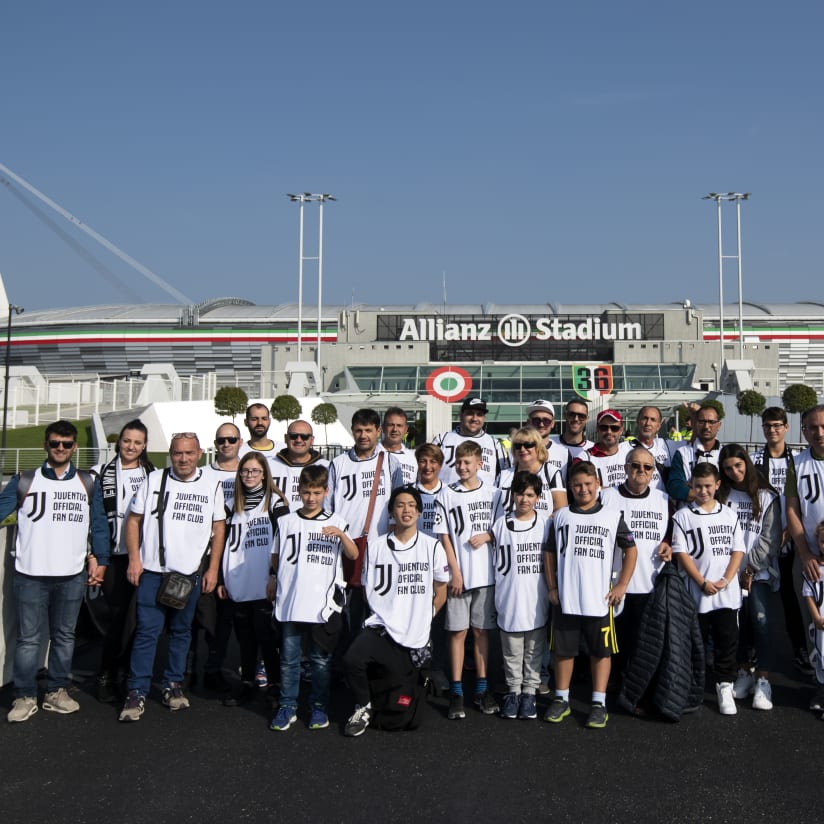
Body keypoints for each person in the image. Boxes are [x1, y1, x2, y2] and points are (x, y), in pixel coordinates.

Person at [1, 420, 110, 723]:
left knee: (64, 637)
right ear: (45, 446)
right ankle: (23, 696)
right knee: (28, 639)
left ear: (74, 447)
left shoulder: (88, 481)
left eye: (66, 444)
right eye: (54, 443)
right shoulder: (25, 479)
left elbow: (99, 523)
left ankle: (56, 691)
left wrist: (100, 559)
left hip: (72, 574)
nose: (60, 448)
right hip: (30, 574)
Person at [119, 432, 226, 722]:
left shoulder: (211, 485)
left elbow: (219, 527)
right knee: (146, 632)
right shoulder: (154, 480)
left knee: (181, 632)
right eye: (178, 453)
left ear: (200, 454)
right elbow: (134, 520)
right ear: (170, 453)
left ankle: (172, 683)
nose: (183, 459)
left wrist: (213, 568)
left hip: (188, 574)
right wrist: (134, 558)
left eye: (189, 453)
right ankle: (137, 689)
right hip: (154, 571)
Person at [343, 486, 449, 736]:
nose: (406, 510)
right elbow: (370, 590)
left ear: (420, 511)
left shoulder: (431, 546)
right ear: (391, 511)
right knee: (352, 659)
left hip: (415, 634)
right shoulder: (377, 546)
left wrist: (424, 618)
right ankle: (364, 707)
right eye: (400, 505)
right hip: (382, 626)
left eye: (412, 505)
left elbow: (441, 591)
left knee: (402, 695)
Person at [543, 461, 637, 729]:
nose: (583, 489)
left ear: (597, 484)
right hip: (566, 598)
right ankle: (561, 698)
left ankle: (599, 702)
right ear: (570, 487)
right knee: (563, 651)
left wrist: (621, 585)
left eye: (588, 484)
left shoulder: (612, 516)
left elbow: (631, 550)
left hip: (599, 599)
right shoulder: (561, 516)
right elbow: (549, 552)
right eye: (577, 485)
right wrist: (552, 586)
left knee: (601, 651)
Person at [269, 464, 358, 732]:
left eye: (317, 492)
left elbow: (353, 555)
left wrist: (341, 535)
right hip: (291, 601)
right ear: (299, 491)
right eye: (306, 492)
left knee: (320, 659)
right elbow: (275, 557)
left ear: (325, 492)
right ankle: (288, 707)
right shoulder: (286, 522)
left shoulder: (337, 521)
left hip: (323, 604)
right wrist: (275, 578)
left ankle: (319, 707)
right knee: (289, 658)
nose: (311, 498)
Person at [434, 440, 502, 719]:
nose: (462, 467)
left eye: (468, 463)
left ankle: (482, 689)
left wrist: (488, 536)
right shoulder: (447, 495)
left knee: (481, 632)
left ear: (480, 465)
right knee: (458, 632)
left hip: (485, 574)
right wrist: (455, 572)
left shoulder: (494, 494)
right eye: (459, 463)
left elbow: (502, 528)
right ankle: (457, 690)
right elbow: (444, 536)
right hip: (459, 577)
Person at [671, 463, 745, 715]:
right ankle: (693, 686)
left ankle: (724, 685)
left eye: (708, 486)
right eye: (698, 486)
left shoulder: (729, 514)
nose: (703, 491)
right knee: (696, 642)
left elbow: (738, 550)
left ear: (717, 485)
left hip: (727, 593)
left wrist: (726, 579)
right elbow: (681, 553)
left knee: (727, 642)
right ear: (691, 485)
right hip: (698, 593)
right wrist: (702, 582)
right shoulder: (682, 516)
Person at [91, 419, 155, 703]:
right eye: (127, 441)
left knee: (138, 619)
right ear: (119, 442)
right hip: (114, 557)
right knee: (117, 618)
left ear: (144, 446)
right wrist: (94, 555)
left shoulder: (152, 474)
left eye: (137, 442)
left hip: (144, 558)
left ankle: (129, 674)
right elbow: (91, 521)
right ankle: (107, 672)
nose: (131, 446)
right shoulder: (100, 473)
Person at [219, 453, 289, 706]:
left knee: (266, 635)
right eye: (245, 471)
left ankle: (274, 684)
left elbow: (284, 542)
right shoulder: (230, 504)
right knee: (244, 636)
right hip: (237, 580)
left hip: (263, 581)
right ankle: (247, 681)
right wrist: (219, 578)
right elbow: (220, 542)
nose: (249, 475)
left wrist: (274, 575)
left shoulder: (275, 503)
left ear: (264, 473)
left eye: (255, 471)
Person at [327, 408, 403, 638]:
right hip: (347, 549)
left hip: (380, 548)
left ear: (378, 431)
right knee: (348, 613)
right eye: (359, 430)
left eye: (368, 430)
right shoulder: (338, 464)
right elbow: (329, 507)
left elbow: (399, 505)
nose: (363, 436)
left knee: (379, 611)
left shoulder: (391, 462)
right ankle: (347, 667)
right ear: (352, 431)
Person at [718, 444, 782, 711]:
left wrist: (750, 569)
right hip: (729, 573)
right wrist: (734, 571)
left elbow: (770, 538)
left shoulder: (767, 496)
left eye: (739, 465)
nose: (735, 472)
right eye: (729, 468)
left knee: (762, 623)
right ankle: (743, 672)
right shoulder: (723, 494)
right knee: (738, 626)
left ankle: (763, 679)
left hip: (759, 573)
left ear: (747, 463)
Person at [601, 447, 672, 680]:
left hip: (649, 583)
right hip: (615, 582)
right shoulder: (607, 496)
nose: (641, 470)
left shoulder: (663, 499)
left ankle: (635, 686)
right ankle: (613, 685)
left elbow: (671, 533)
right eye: (636, 465)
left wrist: (669, 544)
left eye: (647, 467)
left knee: (643, 642)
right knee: (616, 641)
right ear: (626, 468)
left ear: (653, 472)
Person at [486, 471, 551, 720]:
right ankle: (513, 691)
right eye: (520, 494)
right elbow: (491, 541)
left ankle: (530, 693)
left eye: (530, 495)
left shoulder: (545, 523)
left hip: (536, 598)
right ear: (512, 495)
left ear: (537, 497)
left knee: (534, 649)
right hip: (509, 597)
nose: (524, 499)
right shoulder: (501, 523)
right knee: (512, 650)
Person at [749, 407, 809, 673]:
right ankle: (750, 650)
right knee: (754, 599)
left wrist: (790, 533)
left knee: (792, 597)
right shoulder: (753, 459)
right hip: (762, 539)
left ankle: (800, 648)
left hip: (792, 539)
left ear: (786, 427)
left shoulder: (798, 461)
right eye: (767, 426)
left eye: (776, 425)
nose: (771, 430)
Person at [198, 421, 244, 694]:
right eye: (221, 440)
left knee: (237, 617)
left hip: (240, 555)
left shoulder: (251, 471)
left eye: (231, 439)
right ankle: (205, 668)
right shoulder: (204, 474)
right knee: (206, 616)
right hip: (208, 554)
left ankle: (244, 670)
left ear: (240, 442)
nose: (226, 444)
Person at [432, 397, 509, 486]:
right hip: (447, 497)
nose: (474, 418)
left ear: (484, 418)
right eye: (470, 413)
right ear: (461, 415)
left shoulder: (494, 444)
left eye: (479, 414)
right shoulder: (442, 439)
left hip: (483, 499)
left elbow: (504, 477)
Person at [498, 426, 566, 515]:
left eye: (528, 445)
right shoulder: (503, 476)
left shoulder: (551, 472)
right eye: (518, 446)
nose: (522, 449)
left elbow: (560, 510)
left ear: (538, 447)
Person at [668, 402, 723, 507]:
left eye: (711, 422)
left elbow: (729, 489)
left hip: (718, 517)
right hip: (688, 515)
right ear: (695, 423)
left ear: (719, 425)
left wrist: (691, 490)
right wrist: (712, 493)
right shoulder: (682, 453)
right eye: (702, 422)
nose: (707, 426)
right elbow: (675, 487)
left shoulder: (725, 453)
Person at [269, 419, 328, 511]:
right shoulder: (269, 465)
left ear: (312, 440)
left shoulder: (327, 467)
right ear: (285, 438)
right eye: (293, 436)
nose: (298, 440)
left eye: (304, 436)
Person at [802, 521, 824, 715]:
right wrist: (816, 617)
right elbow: (808, 594)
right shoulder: (814, 569)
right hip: (821, 624)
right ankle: (821, 691)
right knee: (821, 657)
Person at [582, 409, 633, 489]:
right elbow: (583, 487)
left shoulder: (630, 455)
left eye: (614, 428)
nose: (609, 431)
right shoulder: (585, 457)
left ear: (621, 430)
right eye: (604, 428)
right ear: (597, 429)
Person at [628, 405, 673, 493]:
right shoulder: (624, 449)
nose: (648, 423)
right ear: (638, 421)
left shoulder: (666, 445)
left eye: (653, 420)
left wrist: (694, 416)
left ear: (658, 426)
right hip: (635, 502)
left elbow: (692, 444)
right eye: (645, 418)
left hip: (662, 503)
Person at [525, 399, 571, 483]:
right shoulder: (517, 452)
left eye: (546, 421)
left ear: (553, 423)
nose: (541, 424)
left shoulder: (564, 453)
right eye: (536, 420)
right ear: (528, 423)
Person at [238, 403, 285, 468]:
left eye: (264, 418)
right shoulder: (239, 452)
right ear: (246, 422)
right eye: (254, 419)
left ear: (269, 421)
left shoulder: (283, 449)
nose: (260, 423)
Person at [382, 406, 417, 485]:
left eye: (399, 425)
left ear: (405, 429)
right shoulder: (371, 455)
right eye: (391, 425)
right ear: (383, 427)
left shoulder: (414, 457)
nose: (395, 429)